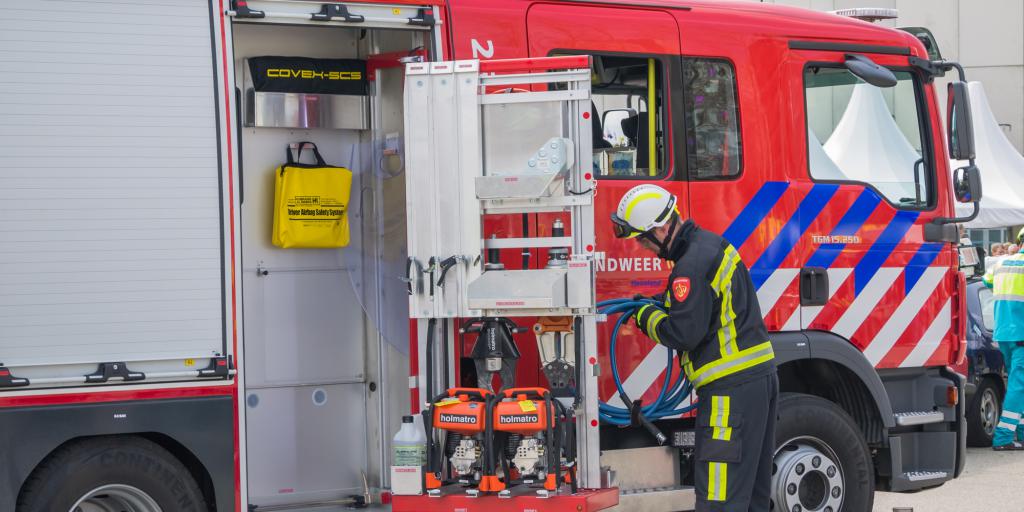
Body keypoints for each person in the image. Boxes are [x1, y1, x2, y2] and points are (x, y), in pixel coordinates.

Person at [612, 184, 778, 511]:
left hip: (729, 394)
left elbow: (683, 333)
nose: (646, 248)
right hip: (757, 385)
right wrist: (660, 302)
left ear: (661, 228)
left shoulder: (689, 267)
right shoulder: (709, 245)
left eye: (645, 239)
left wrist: (645, 316)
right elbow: (699, 307)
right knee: (753, 497)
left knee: (720, 499)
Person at [985, 228, 1024, 450]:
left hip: (1004, 333)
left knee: (1019, 385)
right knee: (1019, 386)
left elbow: (987, 282)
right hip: (1021, 333)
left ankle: (1021, 432)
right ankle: (1003, 437)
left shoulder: (1000, 264)